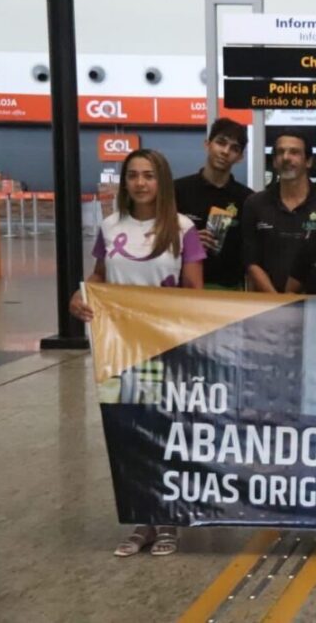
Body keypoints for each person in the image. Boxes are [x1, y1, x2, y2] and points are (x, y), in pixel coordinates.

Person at [69, 148, 205, 558]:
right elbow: (98, 277)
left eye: (148, 176)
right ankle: (140, 519)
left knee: (163, 433)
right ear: (125, 182)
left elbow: (194, 292)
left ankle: (168, 520)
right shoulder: (110, 226)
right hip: (119, 347)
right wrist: (79, 295)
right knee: (128, 433)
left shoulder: (182, 230)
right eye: (133, 176)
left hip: (165, 347)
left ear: (162, 182)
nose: (141, 183)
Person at [174, 118, 253, 290]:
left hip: (229, 290)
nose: (225, 151)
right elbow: (159, 238)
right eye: (221, 143)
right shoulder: (177, 190)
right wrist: (187, 242)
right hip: (182, 287)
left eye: (234, 148)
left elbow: (251, 254)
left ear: (240, 157)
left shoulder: (248, 199)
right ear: (207, 144)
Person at [240, 131, 316, 293]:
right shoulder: (255, 203)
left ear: (309, 161)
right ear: (274, 162)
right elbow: (251, 261)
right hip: (265, 304)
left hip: (314, 304)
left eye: (294, 152)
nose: (286, 157)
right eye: (280, 152)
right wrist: (277, 300)